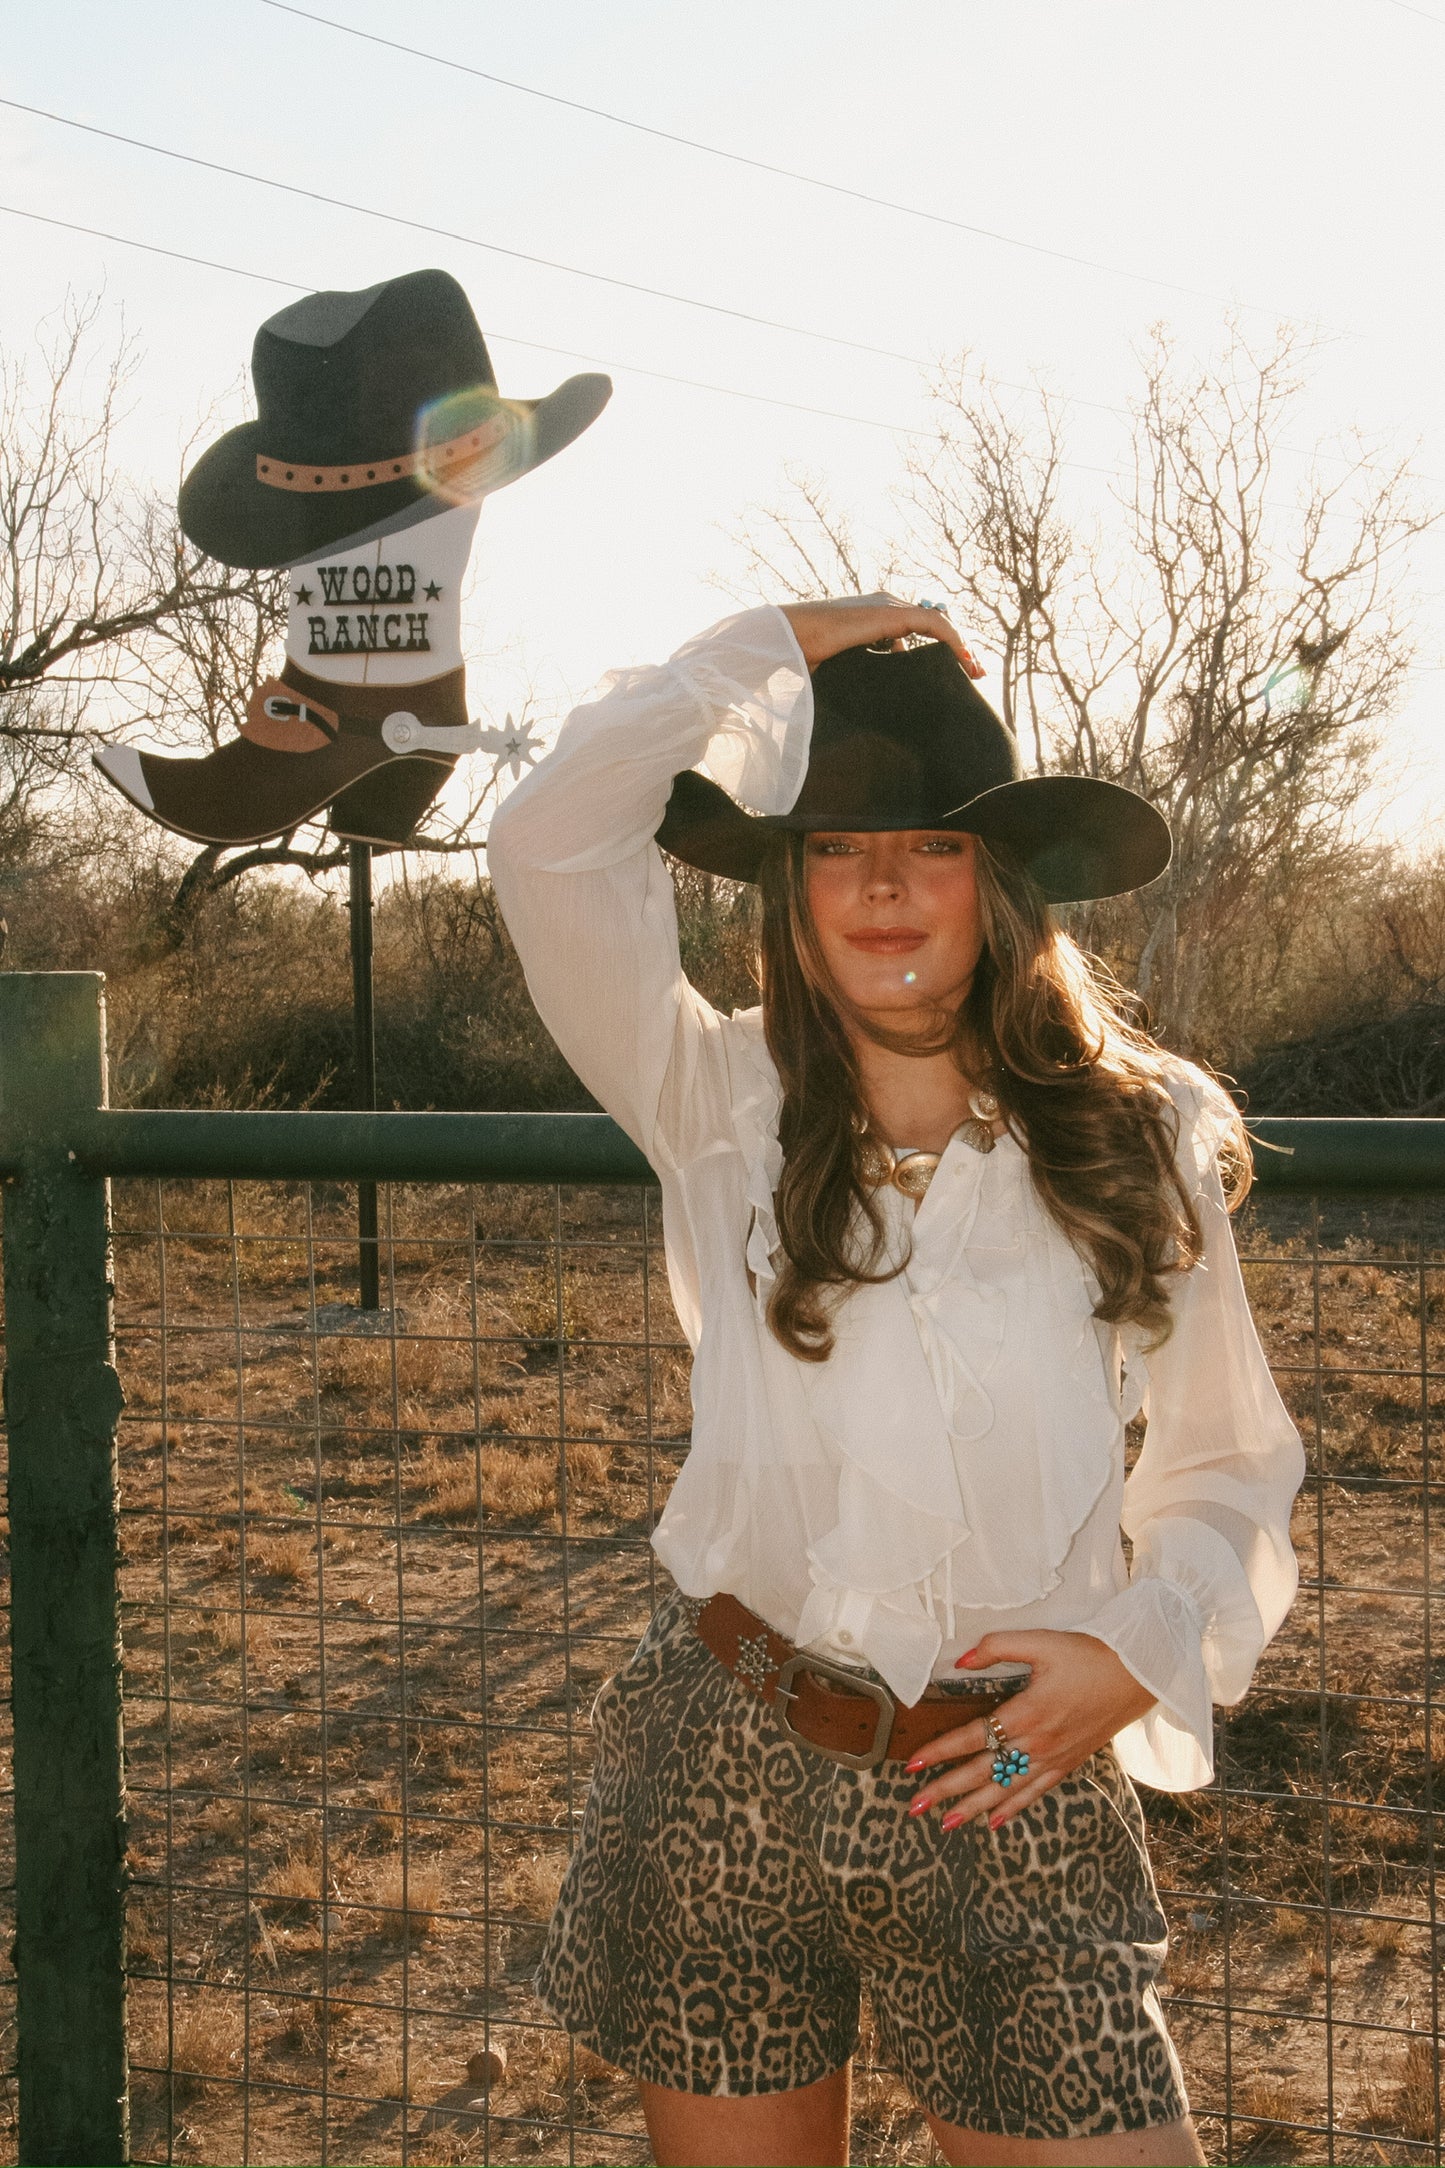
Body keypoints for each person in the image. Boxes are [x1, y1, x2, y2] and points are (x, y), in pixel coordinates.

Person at [487, 596, 1304, 2168]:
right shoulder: (710, 1094)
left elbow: (1224, 1462)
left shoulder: (1139, 1132)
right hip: (724, 1735)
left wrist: (1137, 1650)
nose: (876, 880)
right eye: (830, 844)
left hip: (1006, 1765)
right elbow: (548, 836)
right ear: (783, 891)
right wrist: (777, 643)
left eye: (930, 844)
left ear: (998, 883)